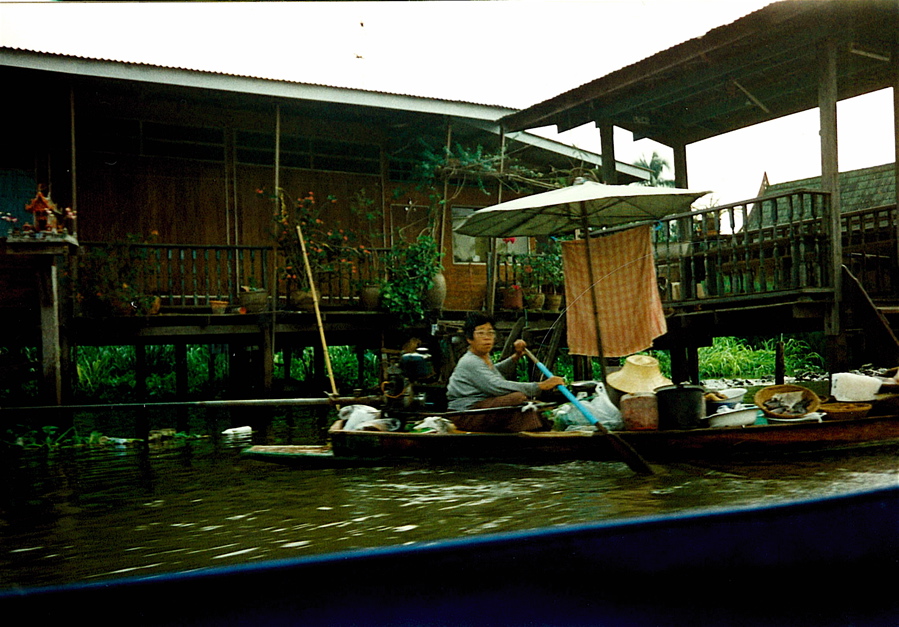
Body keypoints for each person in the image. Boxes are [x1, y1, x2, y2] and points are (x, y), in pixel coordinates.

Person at [446, 313, 564, 432]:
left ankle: (538, 430)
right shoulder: (470, 361)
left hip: (479, 409)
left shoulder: (483, 357)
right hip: (466, 414)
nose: (487, 337)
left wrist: (516, 357)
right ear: (469, 338)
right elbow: (496, 386)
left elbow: (494, 371)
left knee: (536, 405)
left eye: (490, 333)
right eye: (480, 333)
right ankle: (533, 434)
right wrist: (539, 386)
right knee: (517, 398)